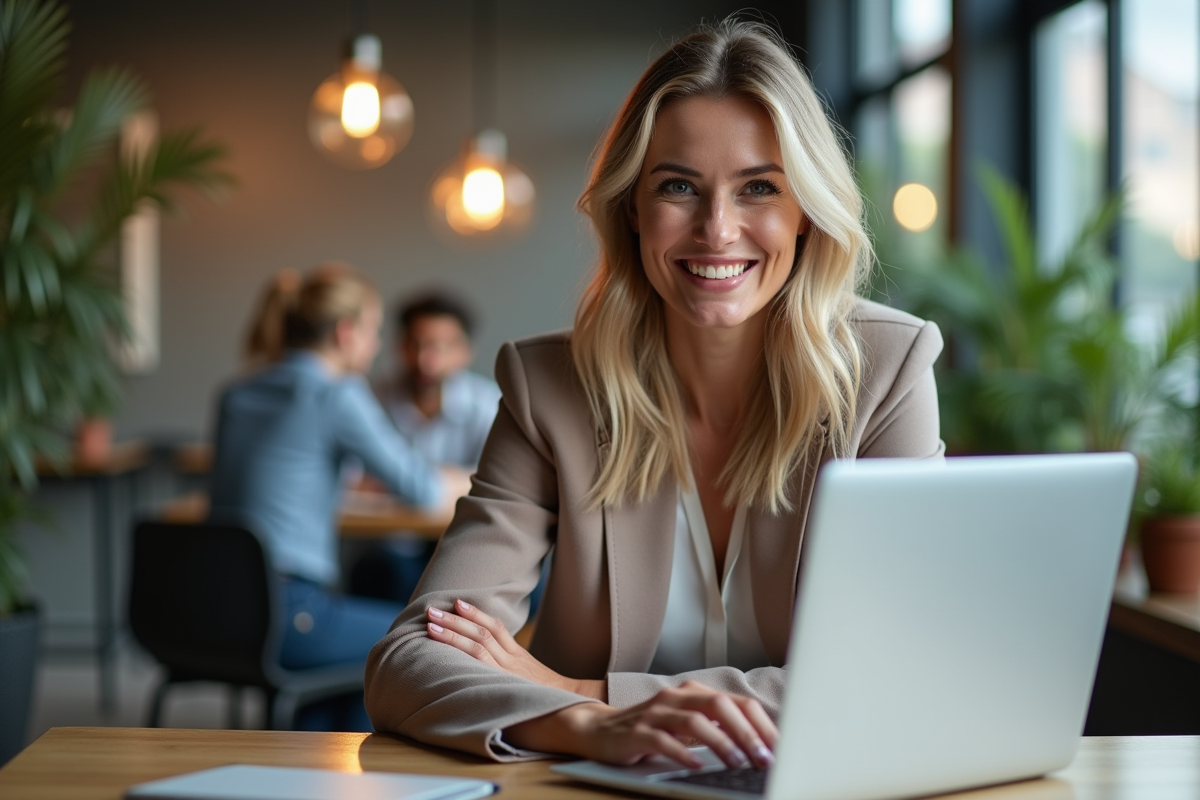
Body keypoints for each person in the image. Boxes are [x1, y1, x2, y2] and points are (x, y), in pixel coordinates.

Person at [364, 19, 943, 766]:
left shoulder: (887, 369)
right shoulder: (551, 390)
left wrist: (584, 693)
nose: (718, 229)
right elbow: (407, 664)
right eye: (678, 187)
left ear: (805, 211)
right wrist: (585, 728)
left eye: (759, 188)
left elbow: (902, 668)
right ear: (632, 208)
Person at [208, 264, 461, 730]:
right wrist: (478, 479)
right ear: (346, 332)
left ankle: (311, 752)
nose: (377, 345)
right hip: (288, 612)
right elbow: (422, 490)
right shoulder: (335, 393)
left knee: (353, 656)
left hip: (211, 607)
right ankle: (336, 758)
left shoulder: (236, 392)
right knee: (416, 639)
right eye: (373, 331)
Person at [350, 291, 502, 603]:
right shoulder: (368, 401)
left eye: (440, 347)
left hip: (462, 545)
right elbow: (350, 480)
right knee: (380, 575)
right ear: (400, 346)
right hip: (388, 547)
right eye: (416, 345)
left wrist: (407, 480)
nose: (425, 360)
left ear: (464, 352)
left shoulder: (488, 404)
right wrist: (456, 479)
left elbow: (501, 483)